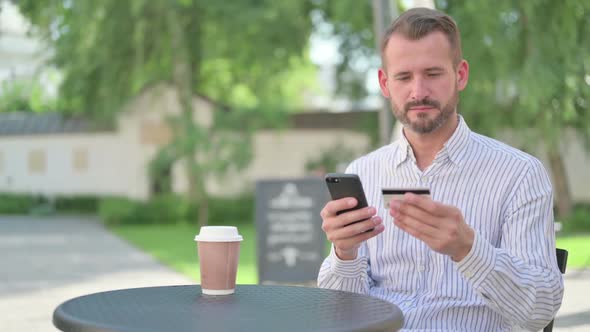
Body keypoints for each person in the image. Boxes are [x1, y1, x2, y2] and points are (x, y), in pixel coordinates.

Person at [317, 7, 564, 331]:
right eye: (404, 77)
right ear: (384, 82)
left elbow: (540, 310)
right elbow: (341, 316)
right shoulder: (364, 172)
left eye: (432, 74)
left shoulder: (519, 175)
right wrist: (344, 253)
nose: (418, 91)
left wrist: (468, 249)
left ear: (460, 75)